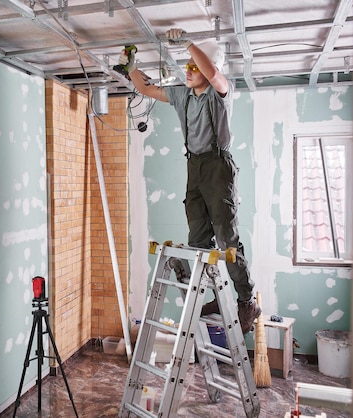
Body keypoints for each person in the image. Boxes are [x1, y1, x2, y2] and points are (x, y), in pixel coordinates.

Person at [118, 28, 261, 334]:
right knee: (198, 239)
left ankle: (246, 301)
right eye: (188, 66)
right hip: (194, 167)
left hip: (217, 166)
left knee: (227, 240)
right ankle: (214, 300)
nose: (189, 70)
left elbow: (213, 72)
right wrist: (132, 68)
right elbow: (147, 89)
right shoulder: (183, 93)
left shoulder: (220, 92)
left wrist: (188, 44)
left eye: (194, 67)